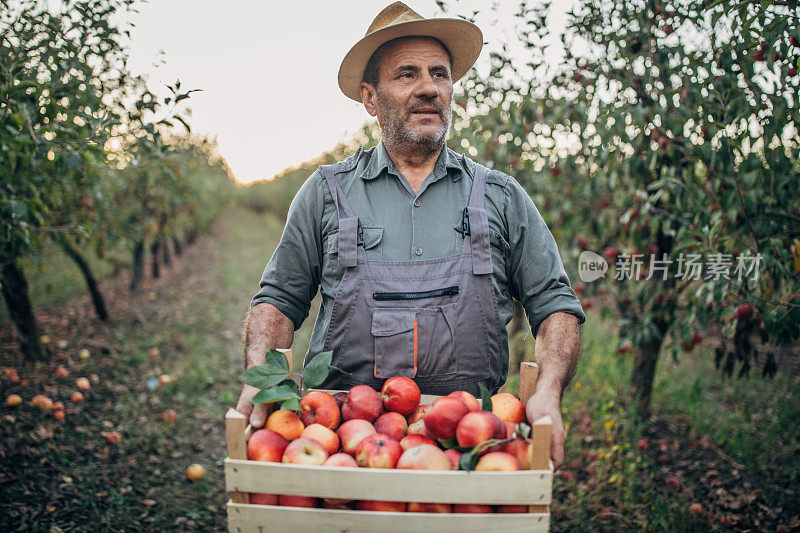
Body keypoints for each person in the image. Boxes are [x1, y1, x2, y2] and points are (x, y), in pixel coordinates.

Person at [236, 1, 584, 469]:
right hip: (344, 444)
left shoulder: (500, 196)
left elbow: (555, 305)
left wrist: (548, 391)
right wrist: (262, 379)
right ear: (370, 97)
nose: (429, 88)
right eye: (406, 74)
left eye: (440, 74)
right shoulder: (326, 193)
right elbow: (278, 301)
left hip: (472, 443)